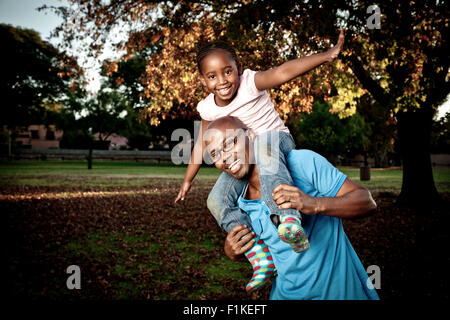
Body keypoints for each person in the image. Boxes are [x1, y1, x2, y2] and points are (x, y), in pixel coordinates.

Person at [174, 29, 345, 292]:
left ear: (238, 68)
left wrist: (326, 55)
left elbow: (282, 72)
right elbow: (201, 143)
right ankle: (258, 254)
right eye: (212, 76)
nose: (222, 80)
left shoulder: (250, 83)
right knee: (215, 199)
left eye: (227, 71)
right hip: (241, 157)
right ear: (203, 80)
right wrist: (187, 180)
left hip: (275, 143)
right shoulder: (207, 107)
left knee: (264, 146)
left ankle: (288, 221)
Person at [206, 116, 379, 300]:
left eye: (230, 143)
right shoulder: (238, 204)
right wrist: (234, 251)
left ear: (249, 135)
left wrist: (315, 204)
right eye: (215, 154)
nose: (224, 157)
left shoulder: (301, 162)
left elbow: (366, 202)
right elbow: (275, 252)